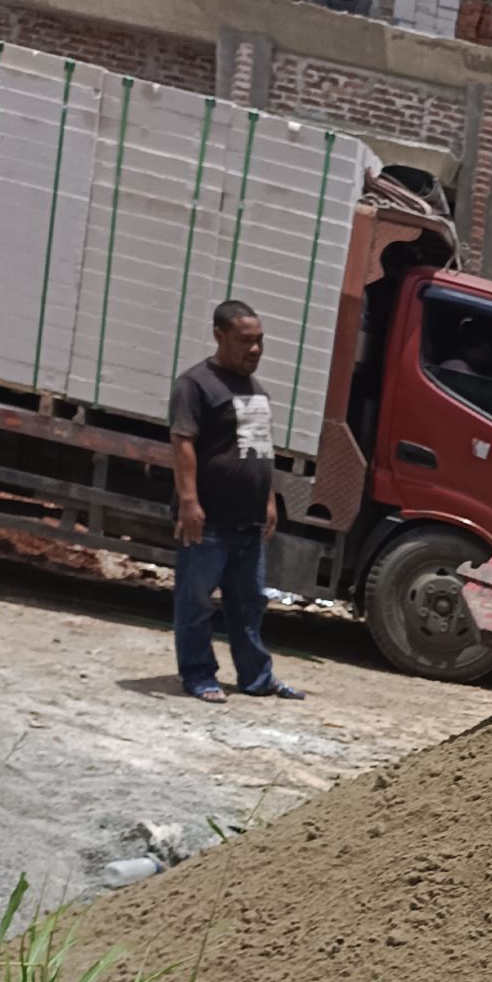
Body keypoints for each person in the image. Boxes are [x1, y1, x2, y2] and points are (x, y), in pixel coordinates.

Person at [168, 300, 304, 704]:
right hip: (209, 522)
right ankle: (198, 675)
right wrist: (189, 501)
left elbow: (260, 448)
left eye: (259, 340)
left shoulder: (256, 390)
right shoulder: (195, 385)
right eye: (245, 341)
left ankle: (257, 677)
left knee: (248, 606)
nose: (255, 349)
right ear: (219, 335)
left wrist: (269, 499)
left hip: (248, 522)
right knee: (195, 603)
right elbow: (182, 443)